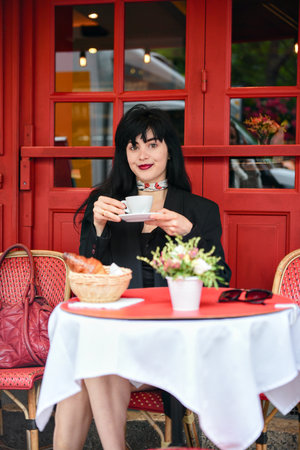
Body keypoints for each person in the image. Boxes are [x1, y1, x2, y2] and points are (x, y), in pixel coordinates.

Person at [53, 104, 231, 450]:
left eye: (152, 144)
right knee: (84, 371)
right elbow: (87, 278)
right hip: (121, 337)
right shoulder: (105, 204)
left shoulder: (199, 210)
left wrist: (191, 236)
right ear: (123, 154)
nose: (142, 155)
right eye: (132, 146)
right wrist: (99, 226)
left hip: (178, 340)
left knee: (91, 366)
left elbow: (219, 284)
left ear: (169, 150)